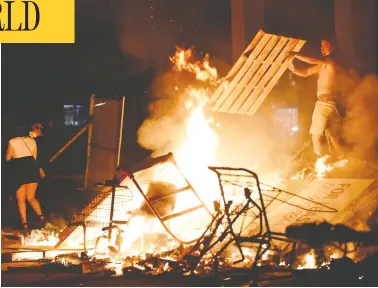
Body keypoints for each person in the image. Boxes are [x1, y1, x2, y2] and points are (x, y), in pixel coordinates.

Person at [286, 40, 344, 159]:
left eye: (325, 45)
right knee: (333, 137)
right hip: (332, 105)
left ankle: (320, 162)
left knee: (316, 135)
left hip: (324, 104)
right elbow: (306, 72)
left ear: (333, 47)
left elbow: (312, 60)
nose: (322, 48)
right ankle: (343, 158)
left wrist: (296, 54)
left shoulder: (331, 62)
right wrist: (293, 69)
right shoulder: (323, 66)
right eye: (321, 46)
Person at [5, 127, 45, 231]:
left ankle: (25, 224)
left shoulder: (12, 141)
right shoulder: (32, 141)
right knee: (31, 197)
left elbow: (7, 158)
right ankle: (41, 217)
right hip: (32, 168)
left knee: (20, 199)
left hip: (19, 170)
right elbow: (35, 157)